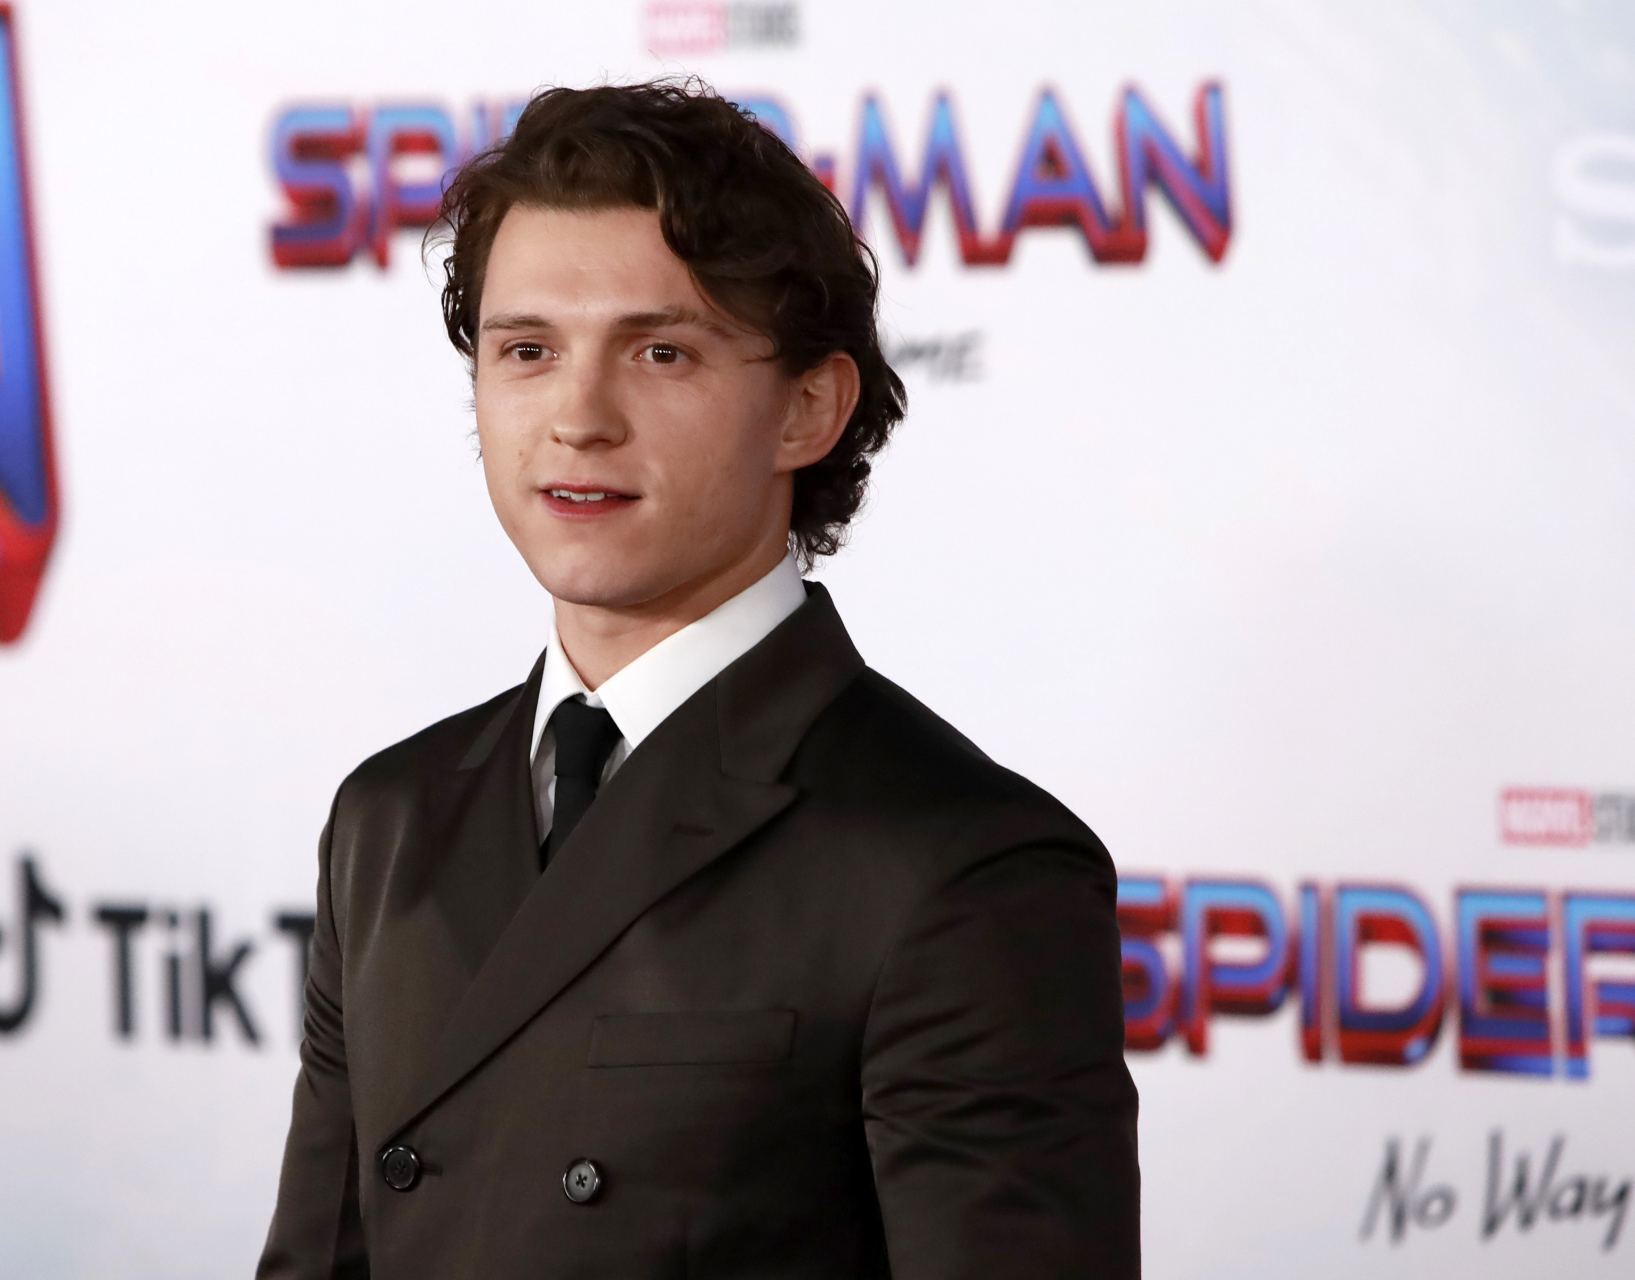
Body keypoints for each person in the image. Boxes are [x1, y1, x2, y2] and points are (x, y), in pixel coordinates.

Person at [256, 81, 1139, 1279]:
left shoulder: (963, 865)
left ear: (808, 408)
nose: (578, 417)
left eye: (661, 351)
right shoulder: (389, 816)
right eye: (527, 351)